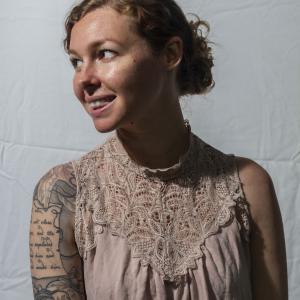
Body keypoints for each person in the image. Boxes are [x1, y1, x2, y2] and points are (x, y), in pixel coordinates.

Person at [29, 0, 288, 299]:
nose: (83, 79)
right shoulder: (63, 194)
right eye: (76, 61)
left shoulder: (248, 186)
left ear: (170, 54)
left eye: (105, 54)